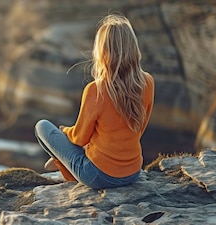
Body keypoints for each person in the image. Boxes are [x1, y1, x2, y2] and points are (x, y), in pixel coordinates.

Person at [34, 14, 154, 189]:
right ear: (133, 47)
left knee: (42, 126)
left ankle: (63, 164)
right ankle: (63, 161)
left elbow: (79, 138)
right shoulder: (148, 82)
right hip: (133, 172)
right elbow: (140, 127)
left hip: (99, 177)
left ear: (102, 51)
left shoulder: (95, 89)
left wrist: (64, 131)